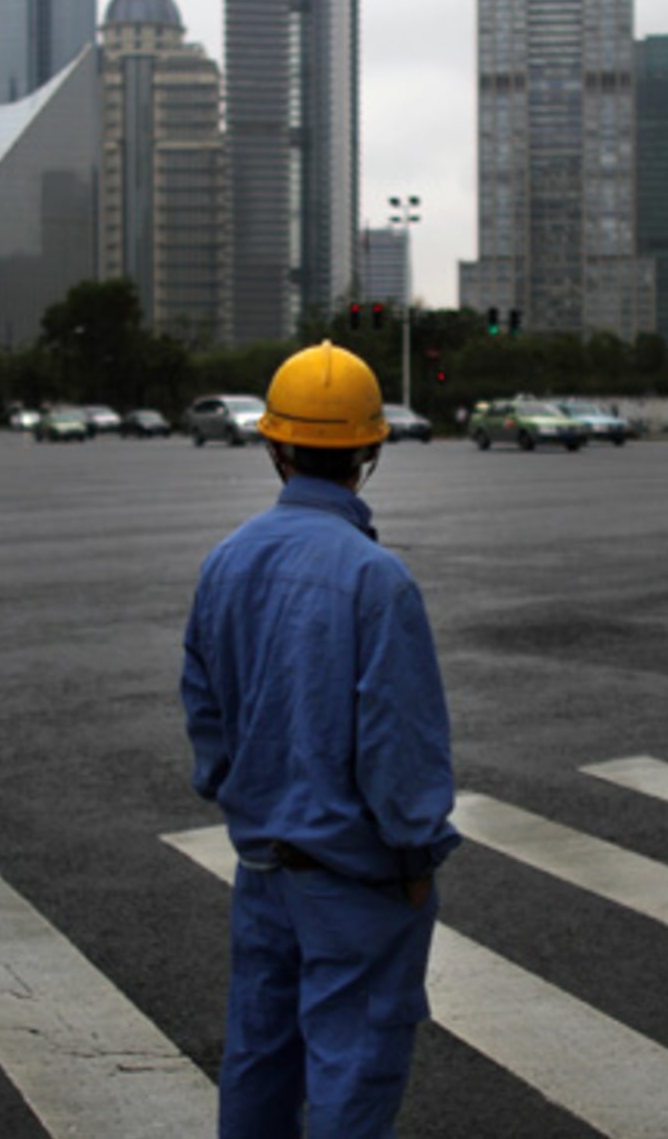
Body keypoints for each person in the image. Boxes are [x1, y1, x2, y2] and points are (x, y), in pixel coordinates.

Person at [181, 340, 460, 1138]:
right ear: (371, 450)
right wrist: (413, 856)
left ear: (273, 446)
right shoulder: (378, 580)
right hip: (357, 879)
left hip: (264, 867)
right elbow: (398, 748)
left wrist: (240, 789)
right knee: (353, 1070)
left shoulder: (225, 562)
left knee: (259, 1061)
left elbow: (205, 712)